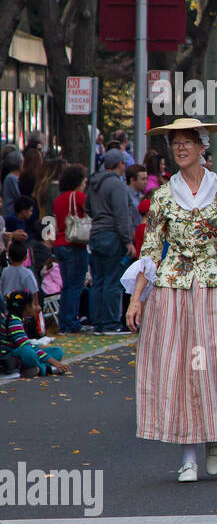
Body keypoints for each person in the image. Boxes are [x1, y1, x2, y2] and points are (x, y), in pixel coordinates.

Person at [123, 117, 217, 483]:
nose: (181, 148)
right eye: (175, 143)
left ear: (204, 147)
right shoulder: (161, 197)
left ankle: (214, 436)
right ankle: (188, 454)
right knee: (179, 369)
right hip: (174, 291)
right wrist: (136, 299)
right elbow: (151, 252)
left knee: (213, 365)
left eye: (188, 142)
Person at [85, 148, 137, 335]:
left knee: (98, 280)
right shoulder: (117, 186)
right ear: (120, 164)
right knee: (113, 281)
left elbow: (88, 208)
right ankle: (110, 323)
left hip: (96, 234)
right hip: (113, 235)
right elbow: (122, 215)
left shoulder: (93, 183)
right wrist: (127, 240)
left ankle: (98, 322)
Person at [51, 163, 90, 334]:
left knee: (67, 285)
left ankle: (64, 321)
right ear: (79, 180)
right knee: (76, 284)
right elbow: (91, 210)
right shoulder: (79, 197)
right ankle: (71, 321)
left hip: (59, 243)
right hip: (75, 244)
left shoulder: (58, 199)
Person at [2, 290, 66, 377]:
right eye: (33, 304)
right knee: (28, 352)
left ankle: (34, 369)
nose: (34, 307)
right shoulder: (14, 322)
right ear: (26, 307)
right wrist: (54, 362)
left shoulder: (19, 319)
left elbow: (27, 344)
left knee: (57, 351)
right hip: (10, 357)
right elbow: (26, 346)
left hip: (21, 352)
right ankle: (45, 369)